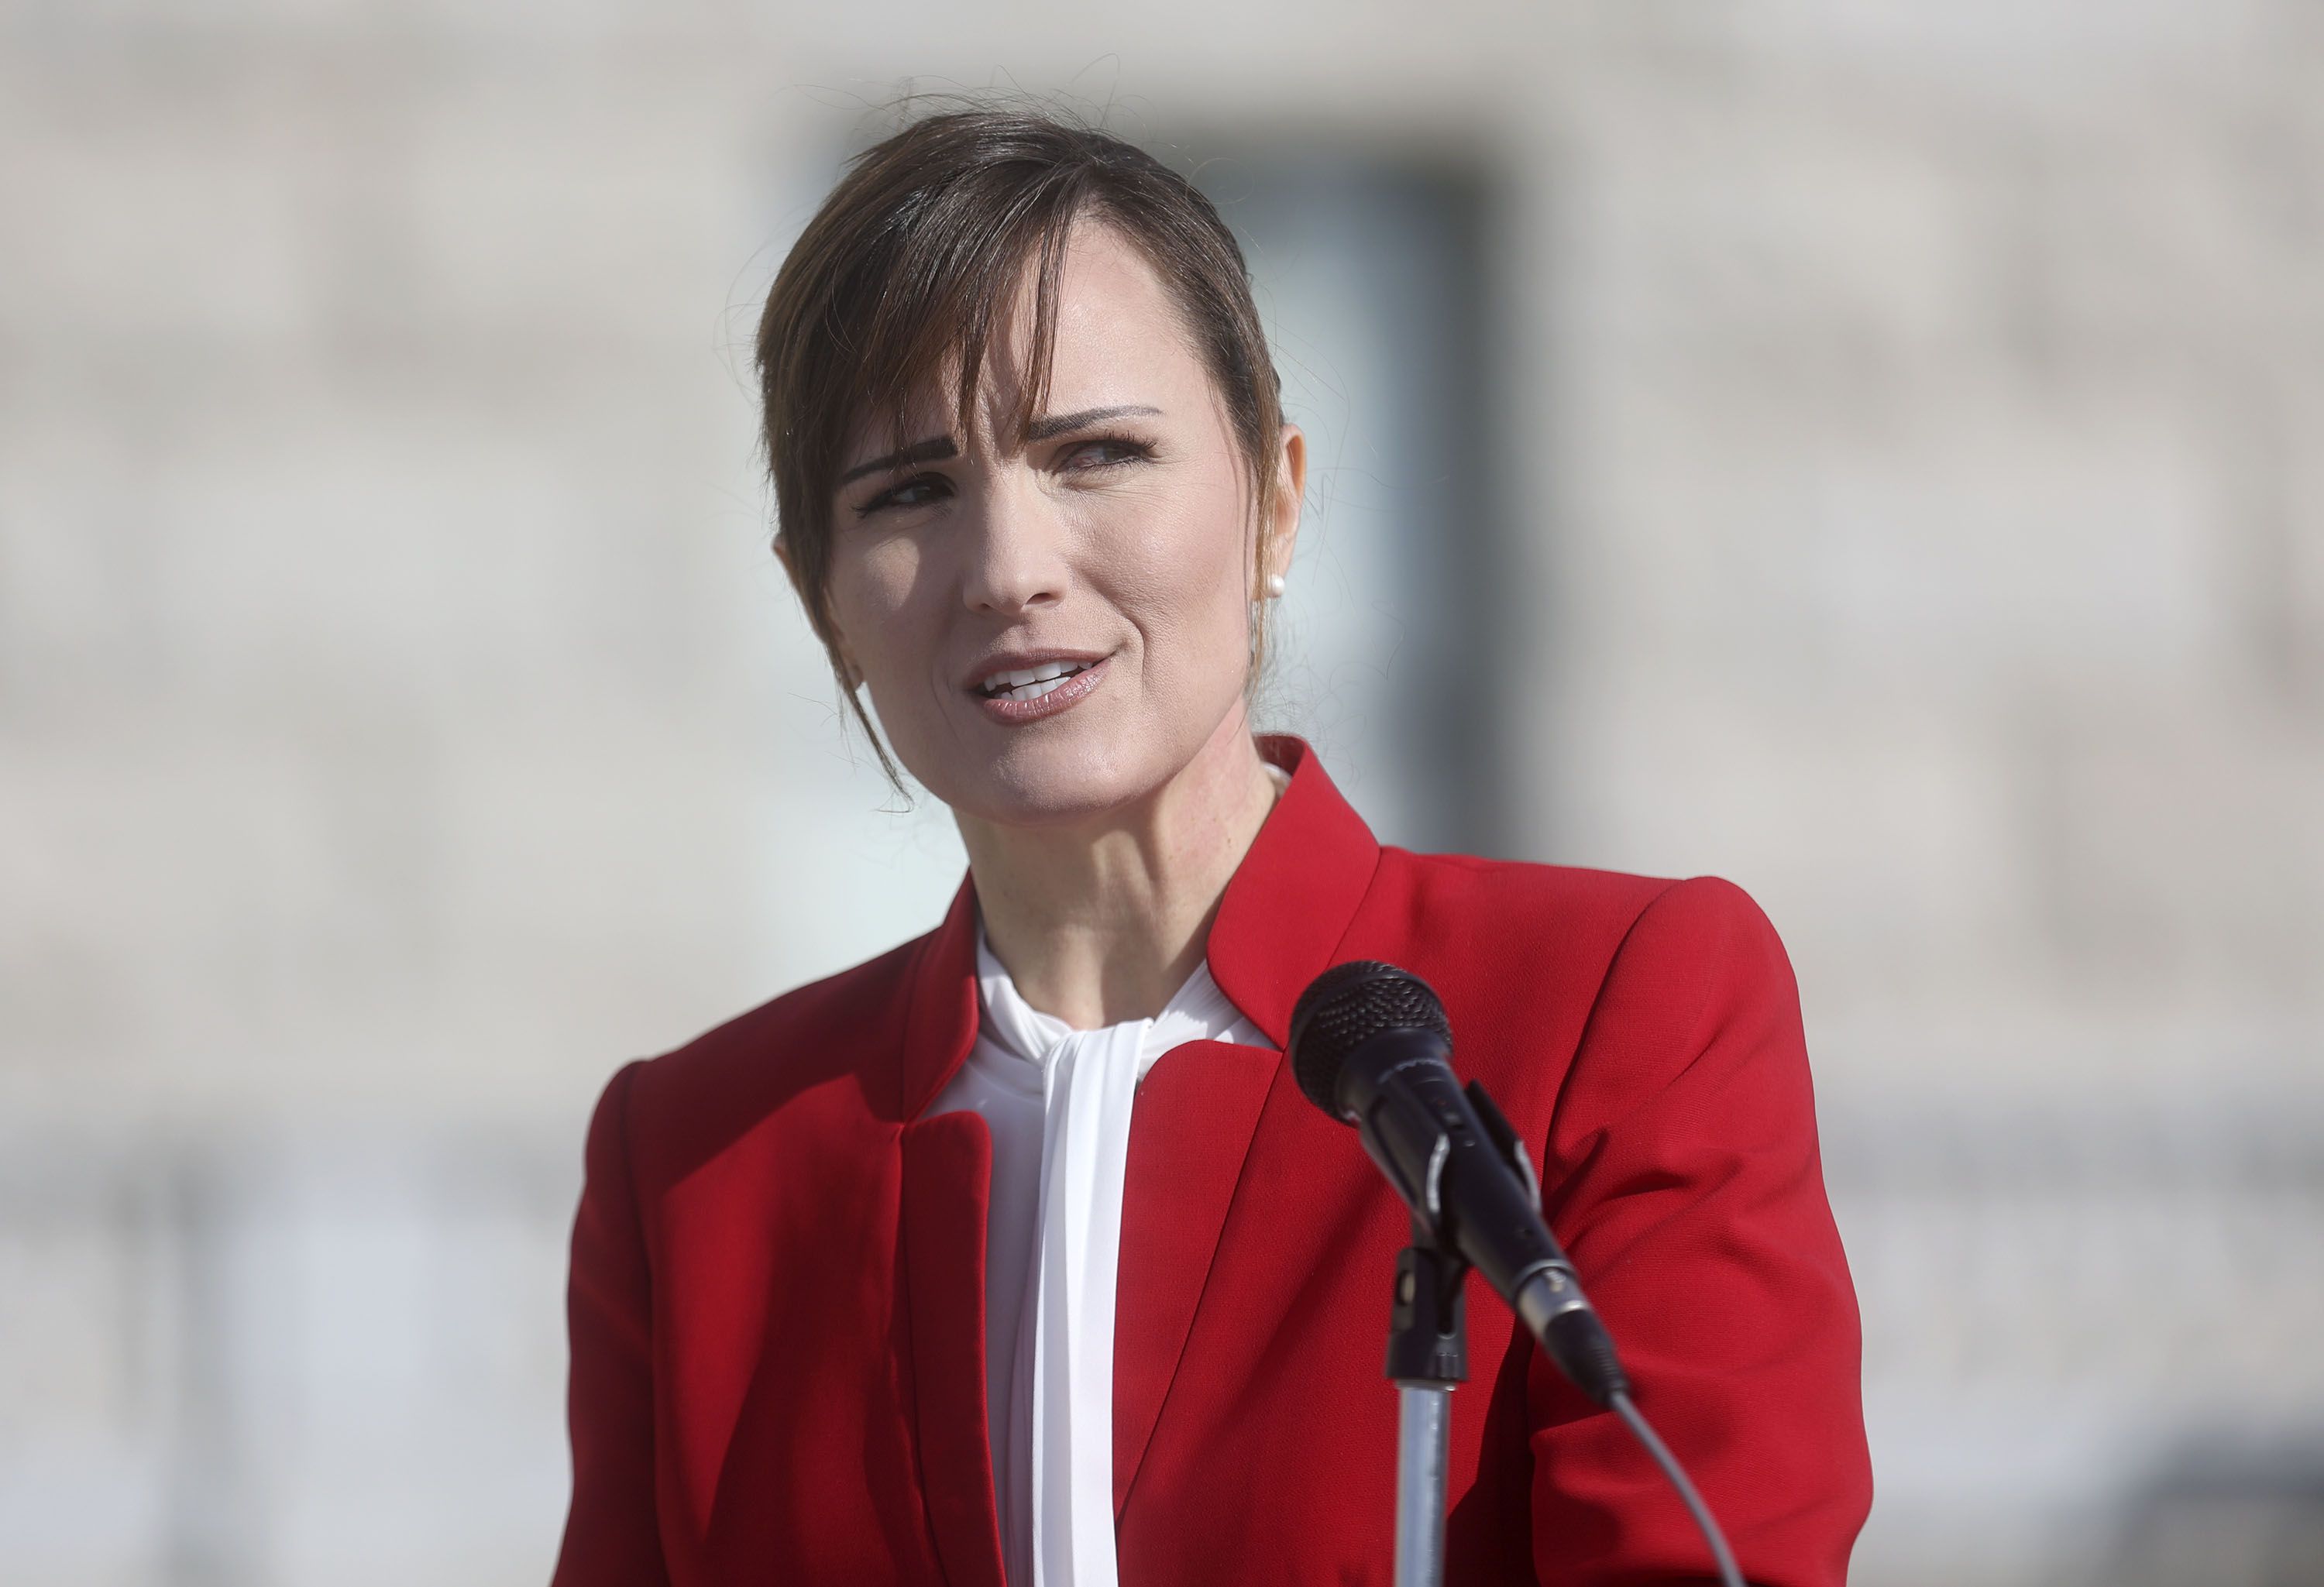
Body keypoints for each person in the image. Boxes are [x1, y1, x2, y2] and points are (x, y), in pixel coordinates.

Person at [549, 106, 1872, 1587]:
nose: (1009, 571)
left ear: (1276, 501)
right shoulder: (698, 1162)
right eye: (909, 492)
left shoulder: (1617, 1007)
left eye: (1097, 453)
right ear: (822, 598)